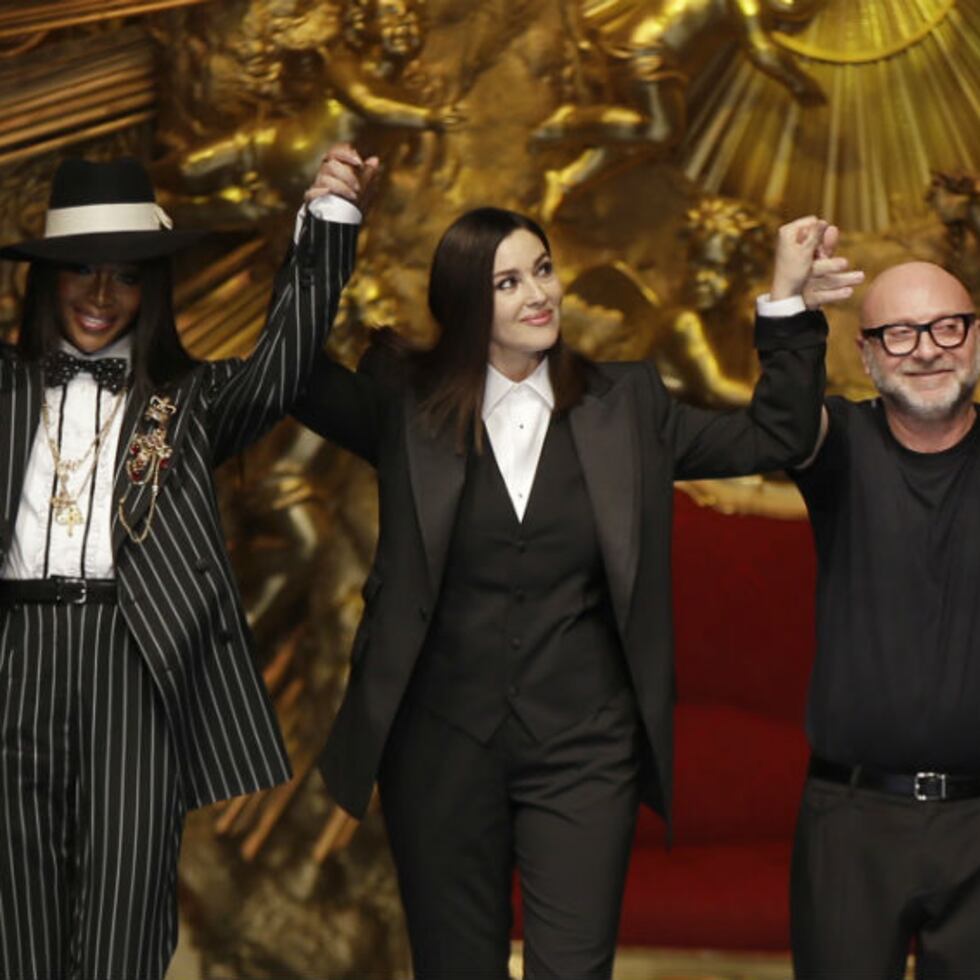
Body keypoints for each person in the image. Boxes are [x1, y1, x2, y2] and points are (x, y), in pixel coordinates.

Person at [294, 147, 859, 978]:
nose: (540, 293)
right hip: (439, 748)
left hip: (583, 752)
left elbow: (774, 436)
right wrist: (328, 228)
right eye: (508, 281)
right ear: (463, 303)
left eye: (544, 270)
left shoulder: (625, 405)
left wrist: (785, 305)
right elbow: (289, 379)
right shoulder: (404, 405)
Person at [0, 146, 371, 980]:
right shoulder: (4, 385)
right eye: (83, 272)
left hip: (132, 660)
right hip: (14, 654)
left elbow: (280, 365)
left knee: (126, 913)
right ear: (46, 279)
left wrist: (329, 224)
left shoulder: (188, 404)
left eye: (126, 277)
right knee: (14, 911)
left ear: (152, 289)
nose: (102, 297)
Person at [789, 255, 980, 979]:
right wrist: (790, 313)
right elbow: (781, 417)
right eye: (898, 334)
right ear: (866, 357)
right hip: (851, 818)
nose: (927, 348)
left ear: (977, 340)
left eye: (948, 327)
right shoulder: (837, 443)